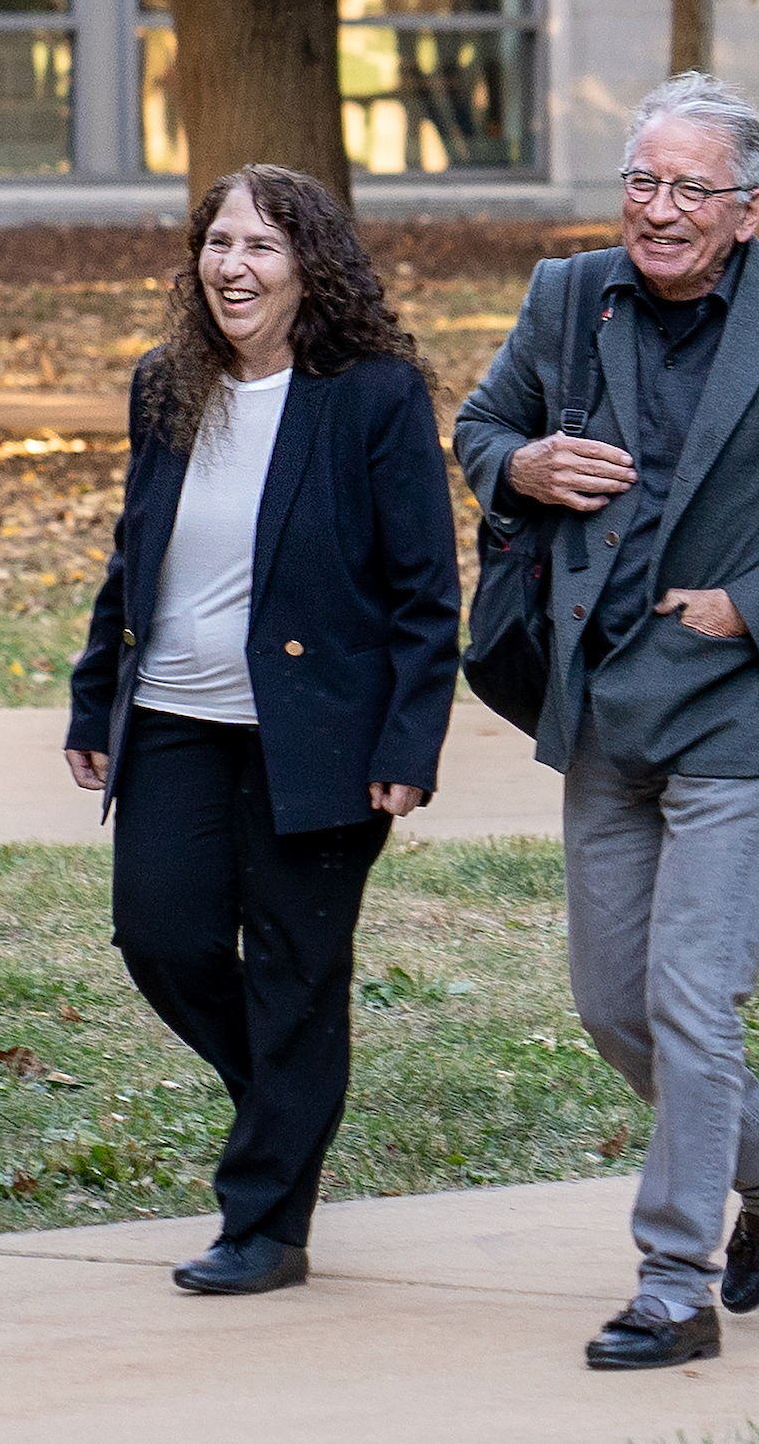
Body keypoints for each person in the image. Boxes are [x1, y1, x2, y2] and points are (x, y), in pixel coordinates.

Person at [453, 74, 759, 1369]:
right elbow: (481, 423)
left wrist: (752, 603)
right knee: (614, 1003)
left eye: (688, 189)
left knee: (692, 997)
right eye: (641, 182)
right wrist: (526, 465)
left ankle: (676, 1277)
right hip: (602, 699)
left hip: (742, 699)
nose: (656, 210)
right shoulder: (568, 295)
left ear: (750, 210)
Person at [64, 164, 462, 1296]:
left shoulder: (374, 394)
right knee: (161, 934)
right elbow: (129, 556)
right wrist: (97, 694)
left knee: (296, 971)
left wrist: (408, 743)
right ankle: (291, 1096)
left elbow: (427, 587)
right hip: (178, 714)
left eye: (260, 247)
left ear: (310, 268)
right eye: (218, 244)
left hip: (320, 733)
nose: (232, 267)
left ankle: (266, 1224)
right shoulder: (166, 386)